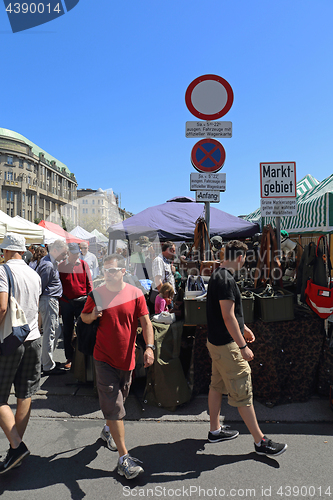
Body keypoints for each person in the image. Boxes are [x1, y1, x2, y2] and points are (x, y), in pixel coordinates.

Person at [206, 240, 287, 457]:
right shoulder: (225, 279)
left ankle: (215, 430)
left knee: (216, 385)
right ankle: (260, 442)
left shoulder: (219, 275)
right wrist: (242, 345)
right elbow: (227, 315)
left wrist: (245, 328)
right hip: (227, 346)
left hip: (216, 343)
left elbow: (228, 314)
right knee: (243, 394)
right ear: (240, 257)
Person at [81, 253, 155, 480]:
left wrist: (150, 347)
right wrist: (92, 315)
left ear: (124, 271)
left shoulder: (135, 294)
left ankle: (107, 429)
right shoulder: (97, 293)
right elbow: (83, 317)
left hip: (127, 359)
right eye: (106, 270)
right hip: (103, 358)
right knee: (114, 406)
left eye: (113, 270)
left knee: (120, 399)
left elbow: (146, 322)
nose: (108, 274)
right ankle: (124, 459)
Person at [0, 233, 42, 473]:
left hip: (9, 339)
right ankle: (15, 447)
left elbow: (2, 306)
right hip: (33, 337)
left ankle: (16, 445)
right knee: (24, 394)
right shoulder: (34, 273)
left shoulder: (3, 271)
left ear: (6, 251)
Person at [59, 243, 93, 370]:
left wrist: (90, 302)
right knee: (67, 331)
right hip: (66, 302)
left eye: (77, 253)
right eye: (73, 254)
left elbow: (89, 284)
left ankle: (83, 357)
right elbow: (59, 285)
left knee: (83, 329)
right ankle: (70, 357)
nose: (76, 256)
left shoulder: (84, 265)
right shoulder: (61, 266)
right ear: (68, 253)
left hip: (82, 301)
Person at [37, 240, 68, 375]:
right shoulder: (48, 265)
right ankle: (47, 365)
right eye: (64, 253)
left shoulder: (50, 262)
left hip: (50, 300)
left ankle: (47, 362)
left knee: (55, 331)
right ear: (56, 250)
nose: (65, 257)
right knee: (51, 333)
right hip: (49, 300)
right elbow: (40, 286)